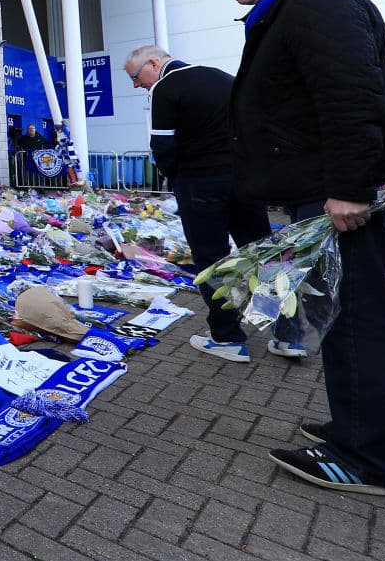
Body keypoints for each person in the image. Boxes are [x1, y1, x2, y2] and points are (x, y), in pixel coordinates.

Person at [212, 0, 385, 496]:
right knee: (359, 316)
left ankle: (366, 457)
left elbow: (350, 97)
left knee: (352, 319)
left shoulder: (315, 4)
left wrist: (350, 187)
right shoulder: (295, 6)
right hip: (333, 186)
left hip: (347, 193)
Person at [124, 45, 300, 363]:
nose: (137, 85)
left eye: (136, 77)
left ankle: (227, 337)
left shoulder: (166, 87)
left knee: (212, 259)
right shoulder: (222, 77)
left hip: (199, 183)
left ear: (153, 63)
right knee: (262, 251)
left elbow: (163, 146)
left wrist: (174, 175)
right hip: (243, 180)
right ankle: (289, 333)